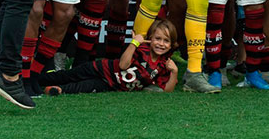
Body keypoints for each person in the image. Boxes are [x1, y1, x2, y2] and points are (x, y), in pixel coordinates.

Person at [41, 19, 178, 94]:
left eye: (166, 41)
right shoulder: (142, 49)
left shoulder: (163, 64)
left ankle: (57, 90)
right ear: (150, 39)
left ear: (171, 45)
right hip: (100, 69)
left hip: (111, 84)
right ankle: (33, 79)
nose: (161, 44)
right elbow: (123, 65)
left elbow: (167, 90)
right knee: (67, 76)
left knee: (85, 87)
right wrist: (134, 43)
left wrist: (174, 72)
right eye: (158, 39)